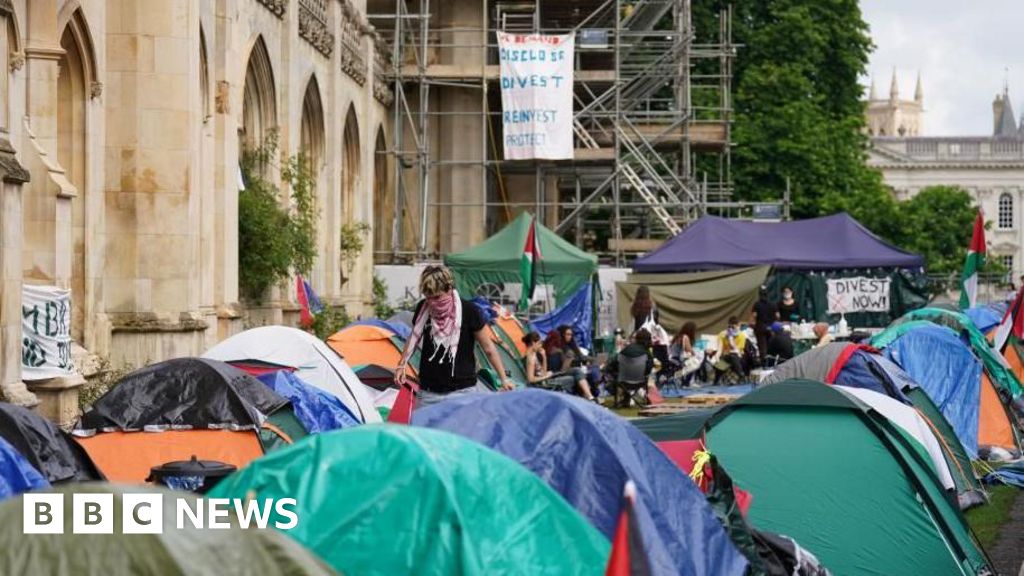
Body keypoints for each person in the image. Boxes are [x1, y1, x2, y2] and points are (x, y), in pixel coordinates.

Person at [396, 265, 514, 408]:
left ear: (449, 289)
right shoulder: (423, 308)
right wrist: (401, 365)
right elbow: (413, 338)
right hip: (428, 392)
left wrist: (503, 379)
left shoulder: (470, 311)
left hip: (462, 392)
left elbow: (488, 348)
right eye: (428, 297)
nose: (432, 302)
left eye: (437, 297)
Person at [522, 332, 597, 402]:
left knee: (576, 371)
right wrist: (546, 377)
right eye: (539, 343)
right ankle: (585, 399)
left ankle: (589, 397)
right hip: (542, 383)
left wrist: (544, 357)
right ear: (533, 343)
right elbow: (531, 379)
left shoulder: (534, 355)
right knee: (571, 379)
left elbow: (543, 372)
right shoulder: (530, 358)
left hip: (545, 378)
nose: (541, 346)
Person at [605, 328, 657, 404]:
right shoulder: (647, 353)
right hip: (640, 381)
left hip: (623, 381)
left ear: (636, 339)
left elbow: (614, 363)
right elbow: (649, 368)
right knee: (650, 375)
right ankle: (641, 398)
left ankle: (624, 399)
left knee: (615, 373)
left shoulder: (626, 349)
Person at [714, 316, 748, 384]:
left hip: (739, 357)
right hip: (726, 356)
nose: (732, 329)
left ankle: (741, 375)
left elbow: (737, 350)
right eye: (730, 327)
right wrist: (717, 357)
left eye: (734, 327)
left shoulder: (741, 335)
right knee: (722, 361)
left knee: (733, 356)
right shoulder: (722, 334)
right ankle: (716, 379)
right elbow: (720, 349)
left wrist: (731, 340)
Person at [751, 286, 779, 363]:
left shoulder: (756, 304)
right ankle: (771, 362)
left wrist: (752, 324)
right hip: (771, 328)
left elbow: (754, 316)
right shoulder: (773, 304)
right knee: (771, 345)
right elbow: (777, 316)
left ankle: (764, 363)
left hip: (760, 328)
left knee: (762, 347)